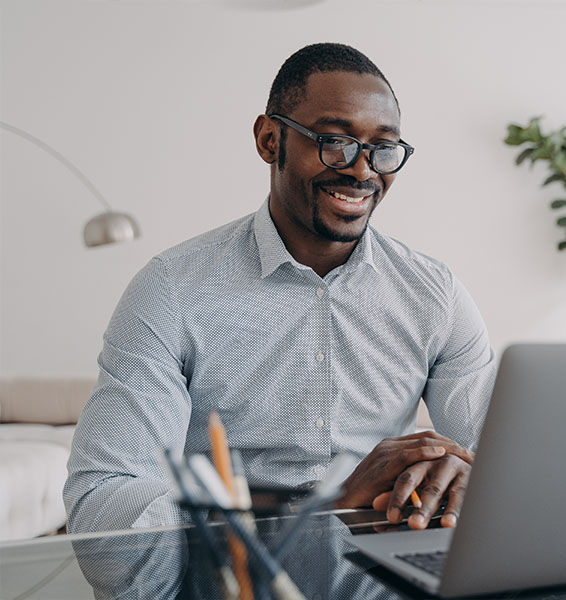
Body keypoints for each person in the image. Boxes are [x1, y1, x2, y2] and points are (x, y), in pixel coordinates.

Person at [64, 43, 496, 534]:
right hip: (242, 570)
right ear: (270, 140)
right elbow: (102, 500)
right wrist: (323, 509)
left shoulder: (434, 294)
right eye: (335, 140)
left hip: (386, 568)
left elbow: (501, 462)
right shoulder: (172, 291)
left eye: (383, 148)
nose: (362, 169)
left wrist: (465, 476)